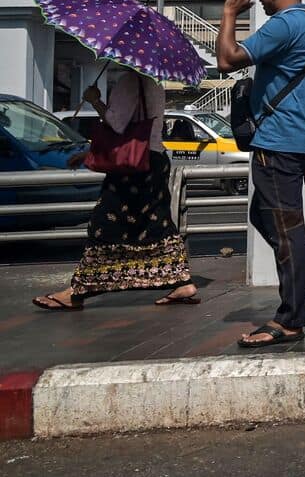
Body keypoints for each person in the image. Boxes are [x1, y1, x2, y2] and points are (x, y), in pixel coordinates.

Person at [216, 0, 305, 347]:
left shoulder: (284, 25)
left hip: (276, 141)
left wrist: (228, 13)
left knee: (286, 230)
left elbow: (228, 60)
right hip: (298, 140)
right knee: (265, 215)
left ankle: (290, 318)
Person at [33, 71, 198, 311]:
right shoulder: (153, 82)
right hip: (154, 159)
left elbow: (117, 123)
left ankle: (78, 290)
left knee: (103, 224)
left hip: (133, 167)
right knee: (157, 224)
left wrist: (95, 100)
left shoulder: (130, 80)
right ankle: (182, 281)